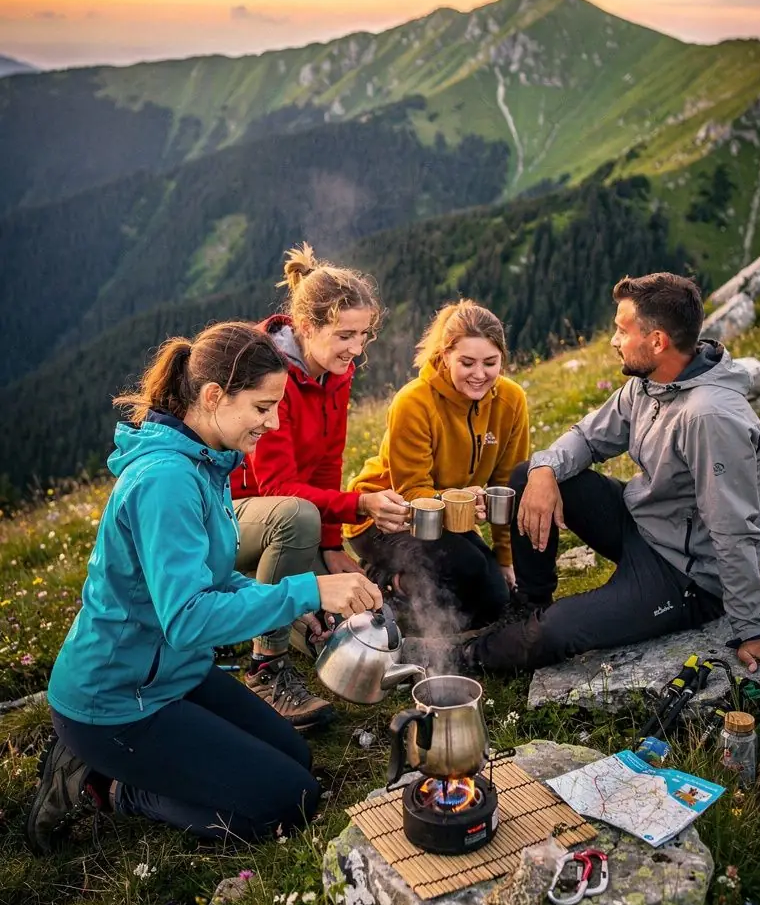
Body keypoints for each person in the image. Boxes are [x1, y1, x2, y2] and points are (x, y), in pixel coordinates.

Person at [26, 322, 382, 856]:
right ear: (214, 396)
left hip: (173, 674)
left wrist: (290, 605)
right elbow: (188, 618)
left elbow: (213, 580)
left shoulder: (206, 461)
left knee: (297, 757)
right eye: (263, 407)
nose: (273, 422)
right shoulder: (166, 481)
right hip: (117, 701)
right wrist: (307, 592)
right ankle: (110, 785)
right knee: (290, 802)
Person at [460, 273, 760, 679]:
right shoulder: (650, 382)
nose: (613, 340)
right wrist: (544, 468)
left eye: (622, 331)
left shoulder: (710, 417)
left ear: (657, 341)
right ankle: (528, 605)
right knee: (529, 477)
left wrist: (751, 629)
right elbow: (587, 438)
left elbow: (734, 529)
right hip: (642, 526)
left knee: (556, 630)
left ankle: (459, 659)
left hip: (685, 575)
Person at [229, 244, 408, 728]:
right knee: (300, 539)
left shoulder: (335, 372)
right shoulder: (268, 374)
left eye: (363, 335)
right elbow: (277, 489)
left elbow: (328, 464)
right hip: (235, 515)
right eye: (344, 335)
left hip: (292, 518)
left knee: (339, 617)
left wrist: (331, 547)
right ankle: (265, 667)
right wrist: (360, 504)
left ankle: (282, 619)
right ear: (306, 327)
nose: (356, 349)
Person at [347, 301, 530, 632]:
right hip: (387, 518)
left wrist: (505, 559)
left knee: (494, 598)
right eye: (467, 363)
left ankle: (429, 588)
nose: (479, 374)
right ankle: (386, 581)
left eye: (490, 363)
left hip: (449, 518)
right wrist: (461, 500)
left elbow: (507, 487)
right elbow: (412, 492)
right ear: (445, 356)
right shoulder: (413, 402)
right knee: (466, 568)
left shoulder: (511, 400)